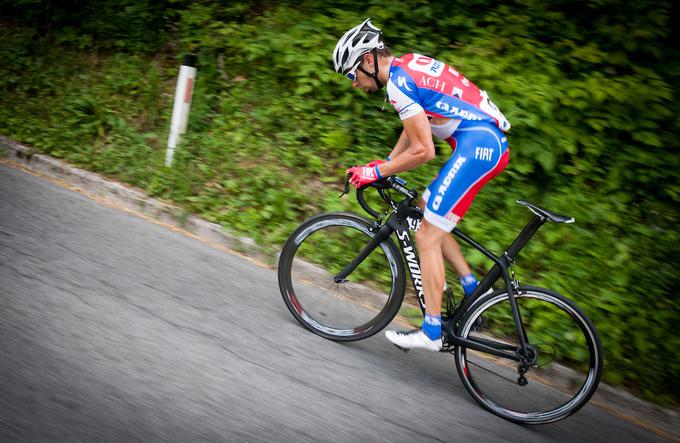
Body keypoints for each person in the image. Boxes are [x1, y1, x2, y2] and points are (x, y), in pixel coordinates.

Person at [334, 19, 511, 351]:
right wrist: (385, 164)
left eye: (350, 74)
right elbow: (418, 124)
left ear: (368, 61)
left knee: (426, 235)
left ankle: (431, 332)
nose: (353, 84)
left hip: (479, 146)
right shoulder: (407, 67)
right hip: (483, 143)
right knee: (427, 210)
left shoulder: (398, 83)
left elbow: (423, 150)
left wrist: (375, 173)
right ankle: (473, 288)